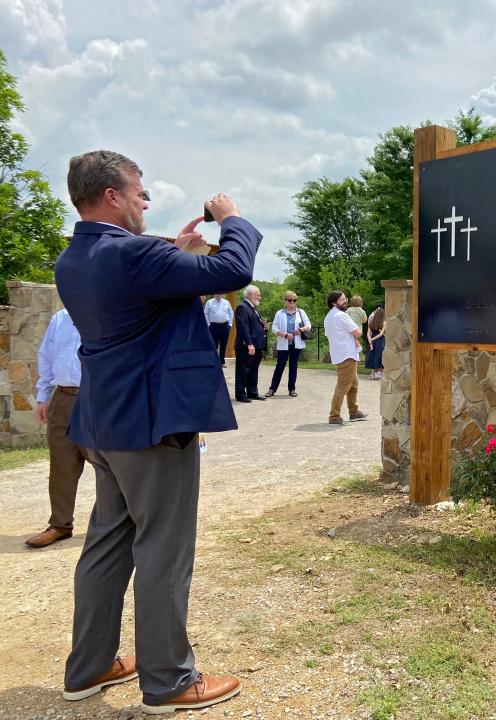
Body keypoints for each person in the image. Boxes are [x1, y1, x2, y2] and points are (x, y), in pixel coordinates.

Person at [55, 149, 260, 714]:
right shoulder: (134, 255)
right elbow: (234, 271)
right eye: (139, 192)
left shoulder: (75, 258)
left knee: (107, 544)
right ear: (112, 196)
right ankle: (169, 680)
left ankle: (89, 666)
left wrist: (176, 253)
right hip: (151, 424)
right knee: (163, 550)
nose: (146, 200)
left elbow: (138, 303)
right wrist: (231, 219)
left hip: (104, 422)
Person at [25, 308, 87, 548]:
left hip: (97, 397)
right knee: (62, 462)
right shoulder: (59, 319)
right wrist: (43, 396)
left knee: (108, 464)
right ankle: (60, 525)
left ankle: (113, 526)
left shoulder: (105, 309)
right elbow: (47, 357)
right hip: (62, 396)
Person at [323, 290, 367, 425]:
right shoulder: (342, 316)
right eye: (342, 299)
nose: (345, 301)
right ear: (334, 302)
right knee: (343, 386)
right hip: (346, 354)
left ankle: (354, 412)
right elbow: (358, 332)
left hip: (339, 354)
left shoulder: (329, 316)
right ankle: (334, 416)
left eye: (345, 299)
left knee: (353, 384)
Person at [266, 291, 311, 397]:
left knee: (293, 366)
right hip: (283, 344)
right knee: (280, 366)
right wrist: (285, 335)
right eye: (290, 300)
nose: (292, 302)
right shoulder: (279, 313)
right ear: (285, 301)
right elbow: (274, 328)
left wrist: (301, 329)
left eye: (294, 300)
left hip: (297, 344)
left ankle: (292, 389)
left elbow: (308, 325)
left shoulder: (301, 312)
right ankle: (272, 389)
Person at [233, 285, 267, 402]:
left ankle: (252, 392)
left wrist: (264, 327)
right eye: (258, 295)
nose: (260, 297)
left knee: (253, 370)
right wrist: (249, 344)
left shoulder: (253, 308)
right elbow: (243, 328)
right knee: (243, 370)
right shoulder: (242, 308)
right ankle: (241, 394)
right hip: (247, 346)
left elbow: (255, 325)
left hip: (257, 345)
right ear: (250, 295)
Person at [203, 294, 233, 367]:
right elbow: (205, 313)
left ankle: (222, 362)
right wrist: (208, 324)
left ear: (222, 294)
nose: (218, 295)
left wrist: (230, 324)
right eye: (216, 293)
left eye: (220, 293)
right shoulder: (209, 302)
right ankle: (213, 361)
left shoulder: (226, 302)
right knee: (214, 344)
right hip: (213, 326)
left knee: (223, 345)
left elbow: (231, 313)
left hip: (225, 326)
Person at [364, 306, 386, 381]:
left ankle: (373, 375)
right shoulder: (384, 323)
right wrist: (372, 339)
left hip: (372, 342)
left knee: (372, 356)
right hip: (380, 341)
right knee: (380, 357)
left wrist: (370, 340)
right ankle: (383, 375)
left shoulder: (371, 322)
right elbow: (381, 334)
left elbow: (368, 333)